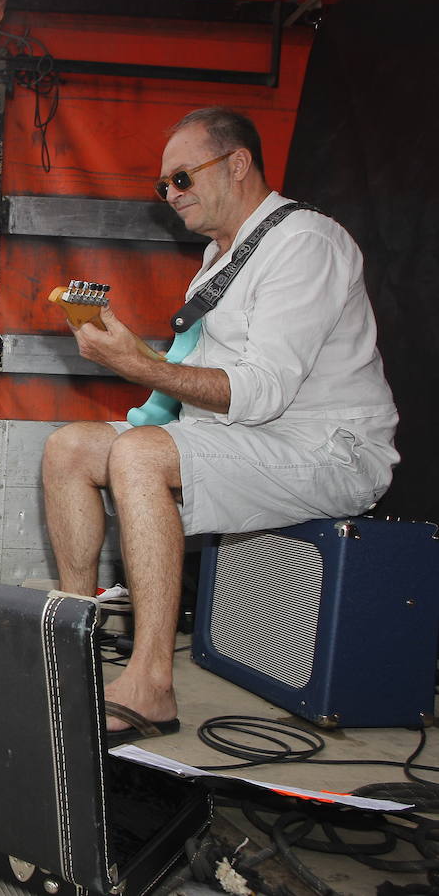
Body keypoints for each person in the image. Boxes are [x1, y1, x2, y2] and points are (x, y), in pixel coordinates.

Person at [41, 106, 398, 744]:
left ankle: (150, 684)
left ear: (237, 164)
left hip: (328, 451)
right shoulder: (219, 258)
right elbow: (196, 384)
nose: (170, 195)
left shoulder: (303, 243)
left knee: (140, 457)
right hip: (250, 438)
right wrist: (139, 363)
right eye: (164, 186)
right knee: (70, 447)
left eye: (181, 178)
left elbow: (258, 393)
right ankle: (71, 644)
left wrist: (139, 367)